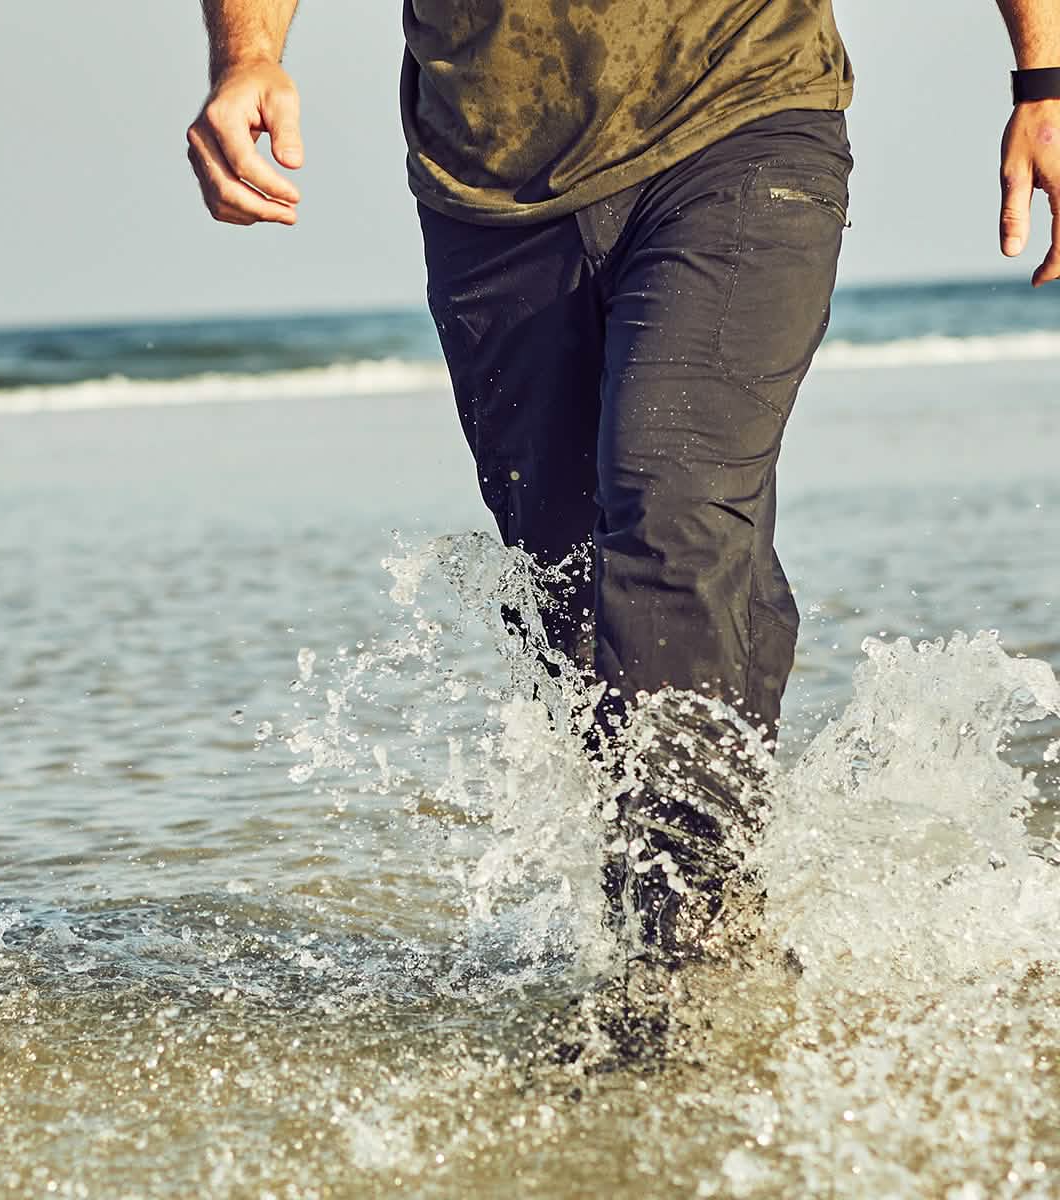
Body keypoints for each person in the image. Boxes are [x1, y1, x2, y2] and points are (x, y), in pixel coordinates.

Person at [186, 0, 1060, 955]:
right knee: (576, 596)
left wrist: (1045, 81)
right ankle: (718, 919)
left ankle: (677, 970)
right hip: (490, 190)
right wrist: (249, 57)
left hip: (740, 117)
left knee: (673, 512)